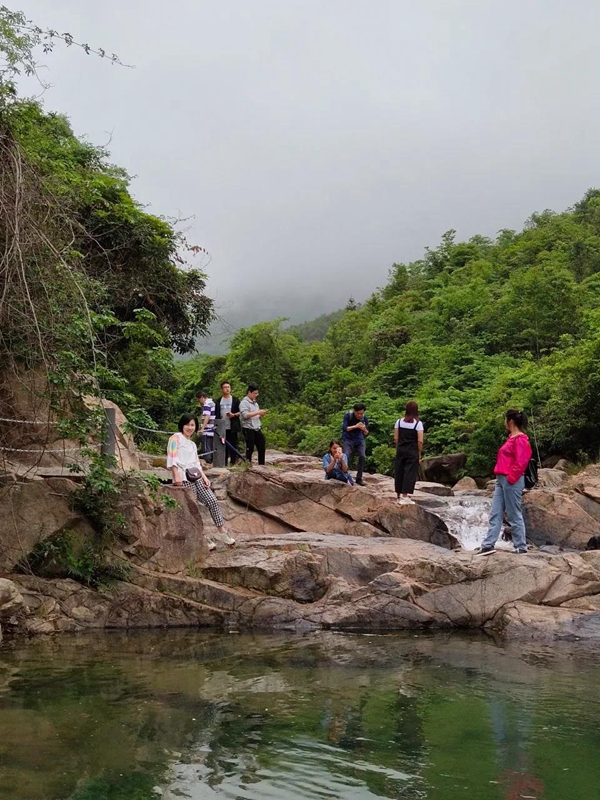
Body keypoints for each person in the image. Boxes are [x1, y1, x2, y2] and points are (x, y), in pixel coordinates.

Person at [166, 413, 235, 548]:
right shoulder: (175, 438)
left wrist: (204, 477)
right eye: (187, 424)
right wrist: (176, 475)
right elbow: (172, 456)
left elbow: (196, 463)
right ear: (182, 425)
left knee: (212, 501)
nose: (190, 427)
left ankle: (222, 531)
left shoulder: (192, 444)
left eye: (192, 425)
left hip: (196, 477)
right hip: (183, 478)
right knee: (194, 509)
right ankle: (202, 537)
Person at [477, 409, 532, 556]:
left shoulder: (520, 439)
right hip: (501, 480)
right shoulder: (511, 438)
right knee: (495, 513)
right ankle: (488, 545)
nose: (504, 423)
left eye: (505, 420)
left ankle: (521, 546)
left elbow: (522, 461)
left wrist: (511, 478)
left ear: (510, 421)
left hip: (511, 480)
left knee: (514, 514)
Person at [394, 401, 424, 504]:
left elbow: (396, 438)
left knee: (399, 471)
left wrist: (399, 448)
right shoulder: (418, 424)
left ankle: (398, 495)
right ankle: (405, 496)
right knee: (409, 472)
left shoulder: (398, 422)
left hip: (401, 450)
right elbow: (420, 441)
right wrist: (419, 453)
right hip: (412, 451)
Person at [215, 381, 241, 466]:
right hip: (222, 427)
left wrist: (233, 415)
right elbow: (216, 414)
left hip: (232, 426)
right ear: (222, 389)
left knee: (233, 444)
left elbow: (241, 412)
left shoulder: (235, 400)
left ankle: (233, 462)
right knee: (223, 445)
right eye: (225, 387)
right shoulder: (219, 401)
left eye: (228, 387)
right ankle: (224, 463)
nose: (227, 389)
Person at [239, 383, 267, 464]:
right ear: (249, 392)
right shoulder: (244, 403)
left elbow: (255, 415)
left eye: (257, 393)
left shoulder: (255, 403)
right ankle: (248, 464)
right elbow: (245, 415)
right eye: (255, 393)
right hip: (248, 428)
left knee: (261, 446)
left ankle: (262, 464)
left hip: (257, 427)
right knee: (250, 447)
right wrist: (258, 412)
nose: (256, 395)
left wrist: (260, 414)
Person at [342, 403, 369, 486]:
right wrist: (355, 426)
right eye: (358, 413)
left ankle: (359, 478)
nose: (360, 415)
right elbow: (345, 428)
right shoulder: (348, 415)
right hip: (348, 438)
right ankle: (343, 475)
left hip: (359, 438)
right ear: (354, 411)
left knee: (362, 456)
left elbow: (367, 433)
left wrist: (364, 429)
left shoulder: (364, 418)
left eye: (361, 413)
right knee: (346, 455)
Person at [197, 390, 216, 464]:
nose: (199, 402)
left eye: (199, 400)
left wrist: (202, 428)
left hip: (208, 430)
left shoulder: (207, 404)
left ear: (202, 397)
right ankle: (211, 460)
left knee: (206, 446)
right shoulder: (212, 403)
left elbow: (207, 416)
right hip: (212, 429)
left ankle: (207, 461)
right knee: (211, 446)